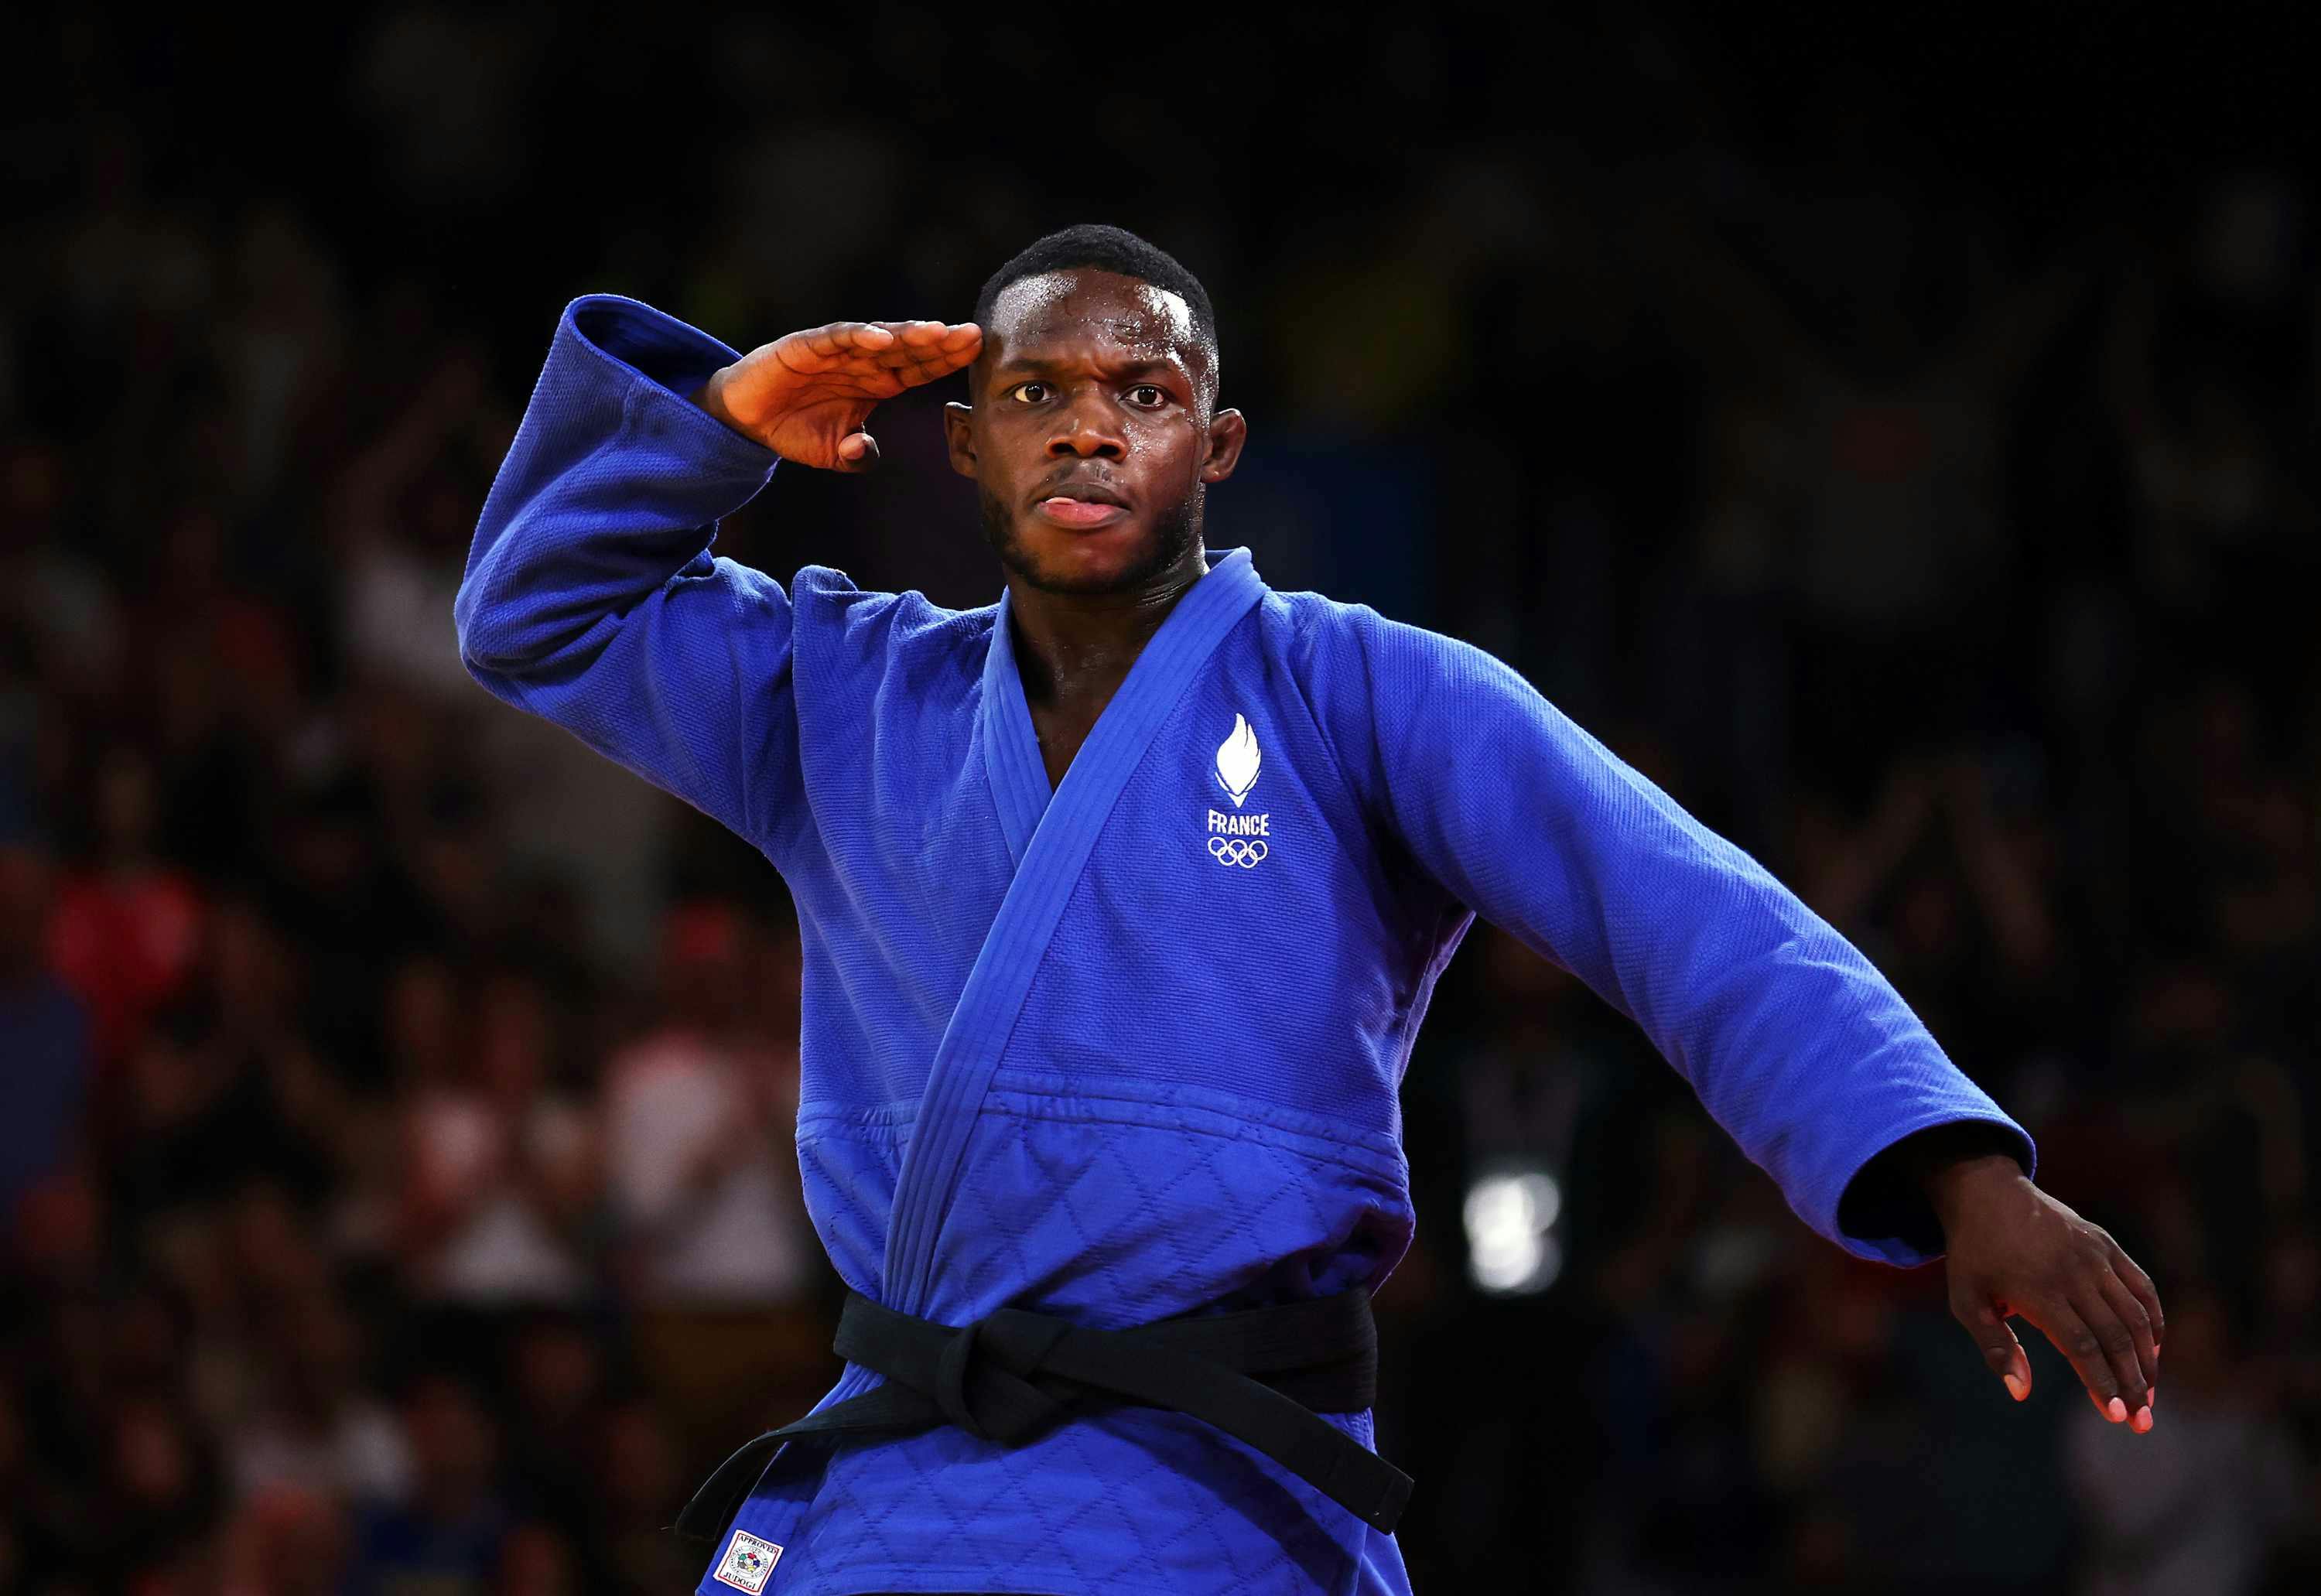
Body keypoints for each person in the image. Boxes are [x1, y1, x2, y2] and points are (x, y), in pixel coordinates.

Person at [453, 224, 2164, 1596]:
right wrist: (708, 433)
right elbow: (536, 613)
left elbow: (1680, 909)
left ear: (1221, 442)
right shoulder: (842, 694)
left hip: (1218, 1495)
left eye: (1145, 388)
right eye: (1038, 389)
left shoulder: (1363, 694)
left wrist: (1957, 1170)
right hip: (900, 1491)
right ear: (964, 443)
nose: (1090, 426)